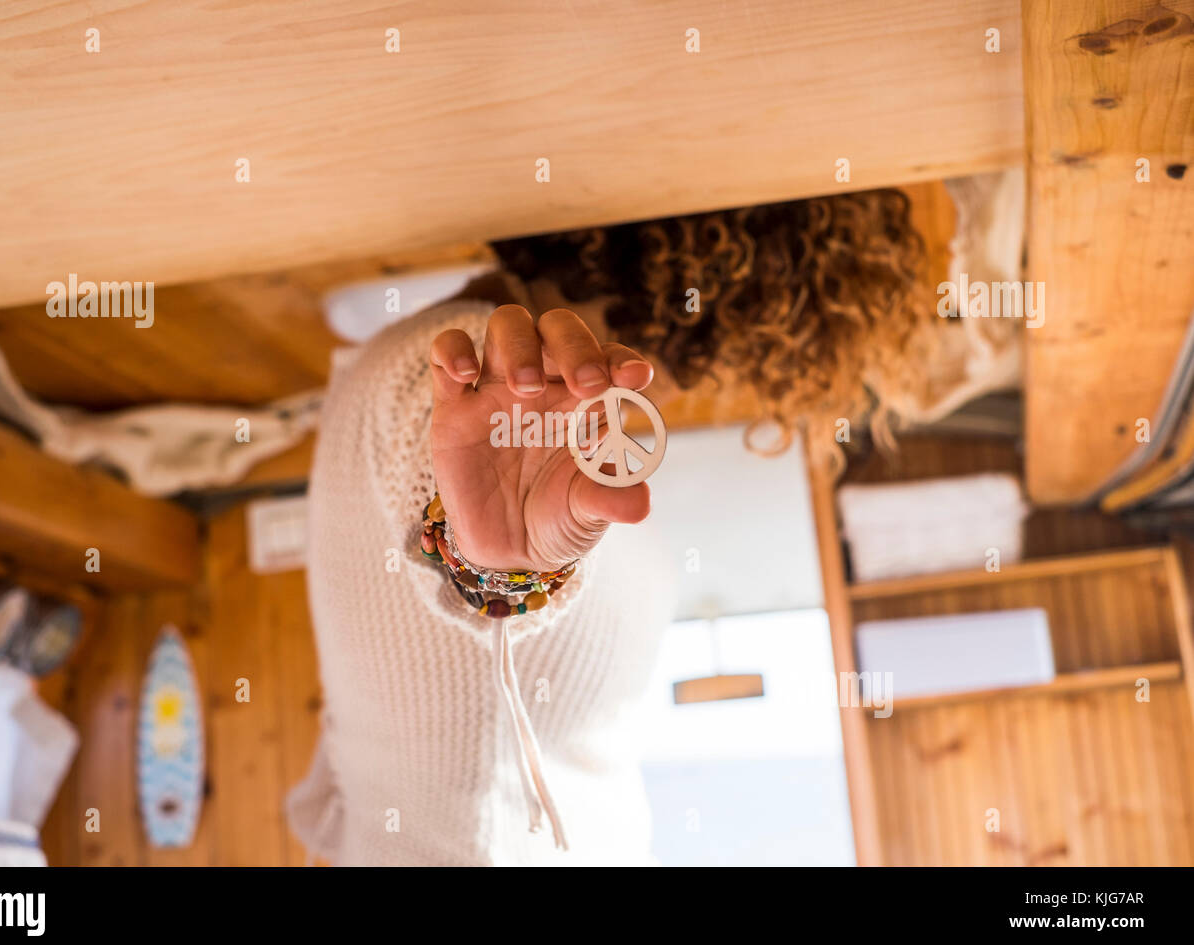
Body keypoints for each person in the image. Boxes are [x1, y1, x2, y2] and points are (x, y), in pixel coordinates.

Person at [287, 189, 936, 865]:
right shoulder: (452, 365)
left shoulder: (515, 411)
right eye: (707, 355)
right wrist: (494, 565)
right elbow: (433, 470)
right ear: (686, 292)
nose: (684, 386)